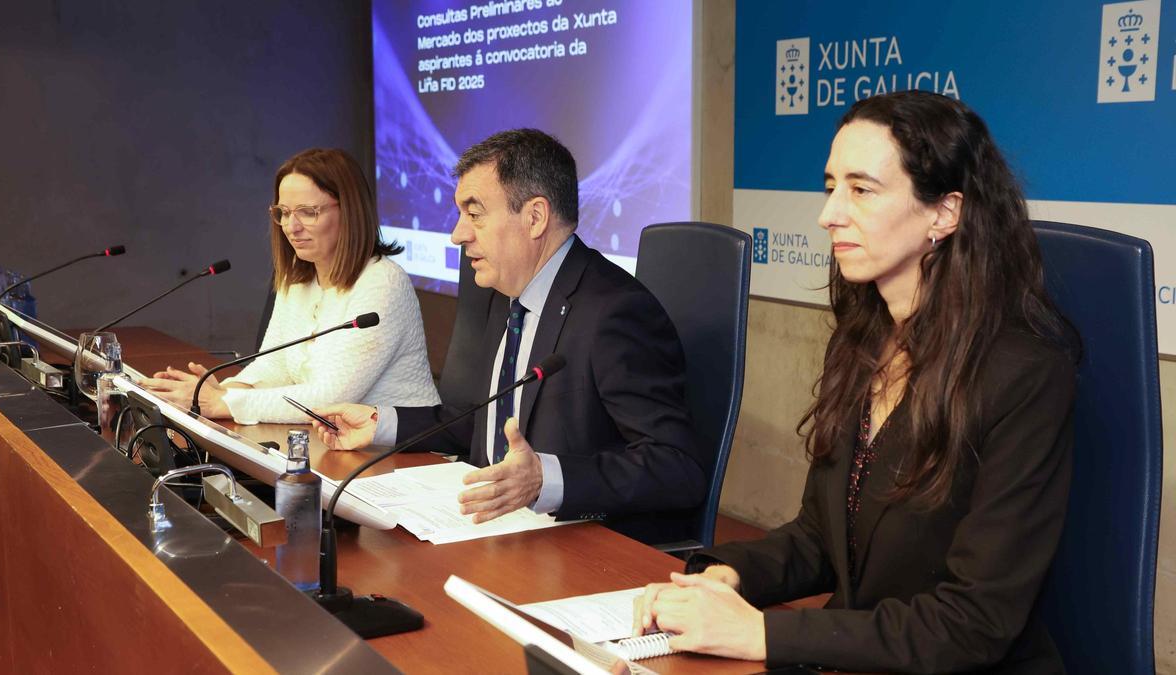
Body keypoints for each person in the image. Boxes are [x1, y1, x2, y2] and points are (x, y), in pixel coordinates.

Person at [633, 91, 1078, 674]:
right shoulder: (863, 342)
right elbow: (823, 538)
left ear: (945, 213)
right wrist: (729, 576)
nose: (829, 214)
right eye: (830, 187)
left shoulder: (1025, 375)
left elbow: (974, 621)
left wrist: (762, 633)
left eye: (861, 190)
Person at [312, 129, 707, 544]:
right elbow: (484, 425)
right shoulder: (508, 296)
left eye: (474, 213)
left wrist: (545, 479)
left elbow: (677, 467)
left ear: (535, 217)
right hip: (493, 532)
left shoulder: (614, 312)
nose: (457, 233)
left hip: (578, 545)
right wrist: (381, 424)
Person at [141, 148, 439, 423]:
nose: (291, 227)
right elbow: (274, 365)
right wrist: (218, 391)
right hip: (337, 445)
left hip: (406, 458)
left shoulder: (383, 282)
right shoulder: (299, 279)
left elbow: (331, 398)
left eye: (308, 212)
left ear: (349, 210)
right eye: (283, 212)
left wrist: (225, 403)